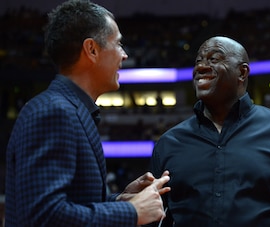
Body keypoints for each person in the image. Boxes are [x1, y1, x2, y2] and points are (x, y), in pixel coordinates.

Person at [5, 0, 170, 226]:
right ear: (91, 49)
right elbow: (43, 216)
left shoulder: (69, 108)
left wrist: (120, 199)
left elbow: (74, 204)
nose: (124, 55)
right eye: (118, 44)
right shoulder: (53, 112)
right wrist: (131, 211)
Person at [146, 36, 270, 226]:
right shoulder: (168, 143)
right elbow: (151, 218)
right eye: (198, 61)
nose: (201, 67)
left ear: (242, 73)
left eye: (214, 59)